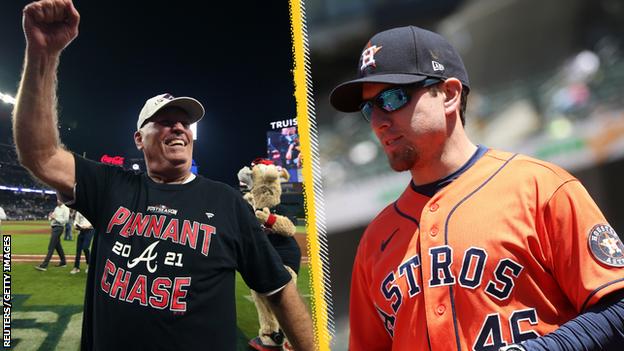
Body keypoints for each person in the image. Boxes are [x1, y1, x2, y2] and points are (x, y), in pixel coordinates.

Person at [12, 1, 314, 350]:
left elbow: (277, 289)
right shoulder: (112, 186)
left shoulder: (226, 201)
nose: (179, 127)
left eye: (185, 122)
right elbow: (41, 155)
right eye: (165, 120)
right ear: (139, 138)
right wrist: (43, 54)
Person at [329, 26, 624, 351]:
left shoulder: (541, 188)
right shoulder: (375, 242)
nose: (378, 121)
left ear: (450, 94)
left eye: (392, 98)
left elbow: (618, 308)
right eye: (369, 108)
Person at [35, 199, 69, 271]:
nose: (58, 201)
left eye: (59, 199)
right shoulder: (56, 208)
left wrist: (55, 218)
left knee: (51, 246)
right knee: (57, 246)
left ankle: (44, 265)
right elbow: (51, 217)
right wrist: (50, 217)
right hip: (54, 227)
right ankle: (63, 262)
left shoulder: (65, 208)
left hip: (59, 228)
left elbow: (66, 220)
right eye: (57, 199)